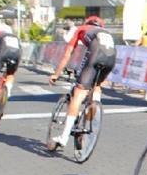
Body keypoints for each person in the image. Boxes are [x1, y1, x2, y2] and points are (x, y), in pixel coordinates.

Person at [47, 16, 118, 149]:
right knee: (96, 87)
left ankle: (63, 137)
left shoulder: (81, 29)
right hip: (111, 58)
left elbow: (68, 54)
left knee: (79, 92)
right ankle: (92, 108)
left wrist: (56, 74)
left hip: (96, 54)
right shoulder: (104, 33)